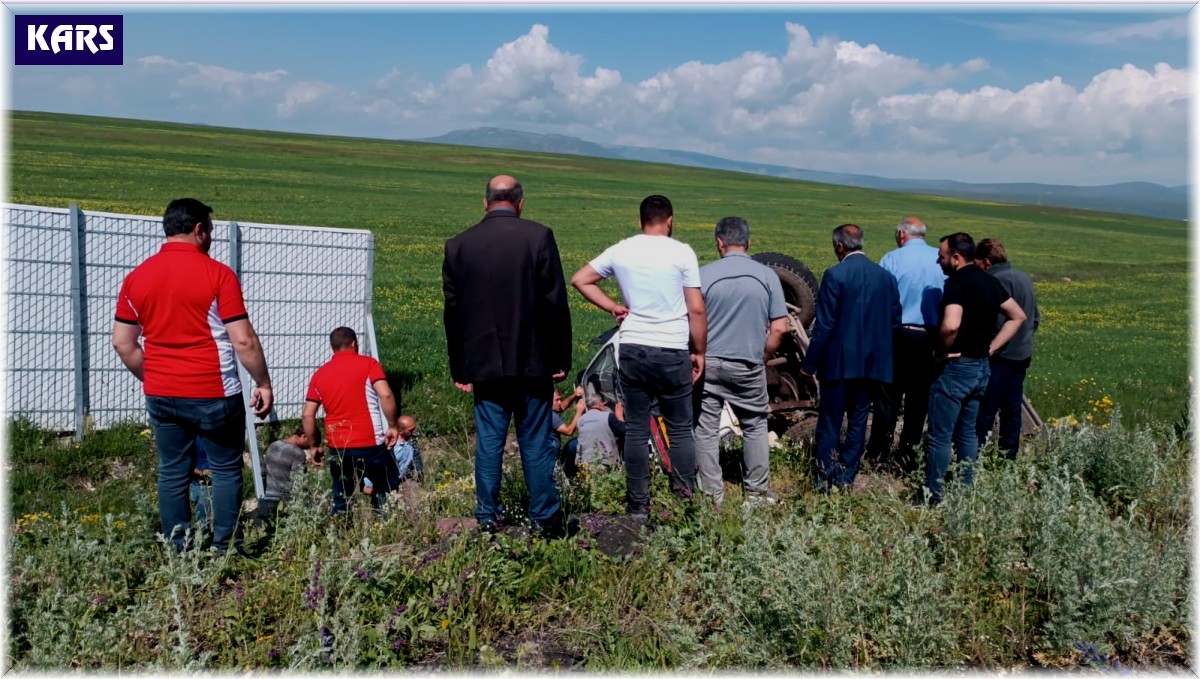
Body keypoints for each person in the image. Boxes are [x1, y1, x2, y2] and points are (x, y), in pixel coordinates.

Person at [112, 197, 273, 554]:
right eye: (210, 231)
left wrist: (153, 376)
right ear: (199, 230)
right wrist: (263, 382)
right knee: (226, 468)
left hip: (161, 392)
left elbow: (123, 343)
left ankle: (178, 552)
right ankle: (226, 546)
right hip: (214, 391)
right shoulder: (218, 274)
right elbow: (243, 340)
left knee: (173, 471)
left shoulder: (136, 278)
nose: (211, 237)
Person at [442, 175, 573, 537]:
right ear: (520, 202)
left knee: (489, 444)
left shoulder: (458, 246)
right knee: (534, 443)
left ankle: (487, 518)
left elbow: (453, 313)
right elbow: (554, 302)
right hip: (534, 364)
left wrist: (460, 366)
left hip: (484, 366)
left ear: (484, 203)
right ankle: (545, 520)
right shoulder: (539, 237)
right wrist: (561, 356)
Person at [571, 194, 707, 517]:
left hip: (632, 349)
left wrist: (613, 306)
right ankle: (684, 498)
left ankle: (638, 504)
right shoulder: (682, 252)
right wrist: (698, 350)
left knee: (635, 428)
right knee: (679, 428)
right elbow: (696, 308)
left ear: (640, 220)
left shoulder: (622, 249)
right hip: (673, 350)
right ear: (670, 220)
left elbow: (580, 279)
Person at [925, 233, 1027, 504]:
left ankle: (934, 496)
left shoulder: (957, 284)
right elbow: (1018, 316)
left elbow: (951, 325)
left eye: (942, 255)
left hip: (956, 367)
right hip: (982, 367)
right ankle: (965, 490)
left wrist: (940, 352)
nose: (938, 260)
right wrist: (992, 347)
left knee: (940, 437)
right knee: (968, 432)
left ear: (956, 258)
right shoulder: (990, 282)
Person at [693, 216, 788, 505]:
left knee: (705, 428)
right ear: (748, 242)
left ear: (719, 243)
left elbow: (693, 320)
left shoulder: (703, 275)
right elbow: (780, 328)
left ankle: (711, 495)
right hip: (748, 362)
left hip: (709, 363)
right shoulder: (767, 276)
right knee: (755, 425)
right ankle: (757, 493)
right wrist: (764, 356)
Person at [800, 224, 901, 491]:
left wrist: (809, 363)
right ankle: (846, 477)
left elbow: (824, 327)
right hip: (872, 365)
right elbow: (894, 322)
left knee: (831, 422)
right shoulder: (886, 277)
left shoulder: (835, 275)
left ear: (840, 246)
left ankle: (825, 479)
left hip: (839, 364)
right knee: (858, 421)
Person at [868, 216, 945, 471]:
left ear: (902, 235)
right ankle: (908, 456)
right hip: (930, 337)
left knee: (887, 397)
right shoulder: (940, 259)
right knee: (918, 400)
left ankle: (879, 453)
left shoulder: (891, 259)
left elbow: (878, 299)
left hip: (896, 335)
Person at [302, 327, 401, 515]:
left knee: (342, 494)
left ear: (332, 348)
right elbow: (386, 394)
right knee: (387, 488)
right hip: (371, 442)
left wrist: (314, 445)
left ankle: (341, 529)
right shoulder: (369, 364)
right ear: (354, 343)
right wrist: (393, 426)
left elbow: (308, 415)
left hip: (339, 447)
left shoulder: (319, 374)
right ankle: (387, 526)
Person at [973, 239, 1040, 460]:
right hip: (1022, 354)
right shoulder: (1023, 278)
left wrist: (988, 347)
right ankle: (1008, 455)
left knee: (986, 408)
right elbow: (1035, 318)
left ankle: (975, 454)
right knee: (1012, 408)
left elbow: (996, 323)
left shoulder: (994, 281)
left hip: (1000, 355)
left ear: (985, 261)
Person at [253, 425, 318, 522]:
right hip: (285, 502)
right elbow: (299, 482)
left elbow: (263, 472)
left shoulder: (273, 445)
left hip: (268, 498)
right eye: (312, 442)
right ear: (304, 436)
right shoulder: (298, 454)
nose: (311, 446)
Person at [364, 414, 424, 493]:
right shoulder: (390, 445)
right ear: (400, 431)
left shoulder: (412, 442)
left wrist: (420, 477)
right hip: (384, 485)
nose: (414, 431)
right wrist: (369, 484)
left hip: (401, 482)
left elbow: (417, 461)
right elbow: (375, 465)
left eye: (414, 428)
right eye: (410, 430)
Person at [575, 394, 626, 469]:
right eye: (603, 402)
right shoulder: (608, 416)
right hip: (604, 462)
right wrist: (620, 417)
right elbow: (624, 432)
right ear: (599, 404)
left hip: (584, 464)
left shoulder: (580, 420)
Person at [190, 438, 212, 534]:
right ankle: (202, 538)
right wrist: (202, 473)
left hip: (212, 482)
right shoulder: (193, 439)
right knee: (203, 517)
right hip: (199, 484)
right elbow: (185, 462)